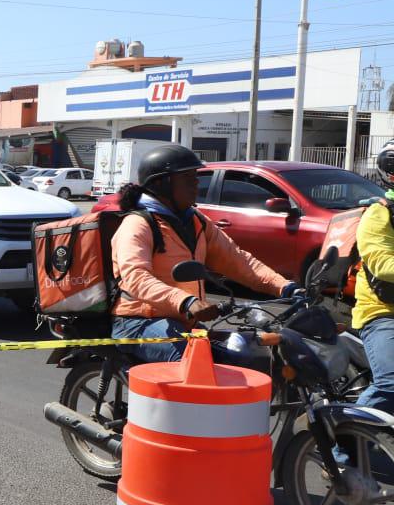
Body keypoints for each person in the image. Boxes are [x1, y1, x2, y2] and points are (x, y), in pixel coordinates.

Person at [110, 143, 291, 363]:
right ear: (162, 184)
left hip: (184, 322)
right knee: (195, 364)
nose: (197, 185)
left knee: (246, 356)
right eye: (188, 179)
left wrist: (284, 286)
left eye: (196, 178)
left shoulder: (195, 221)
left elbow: (238, 260)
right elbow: (136, 278)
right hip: (138, 322)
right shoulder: (138, 224)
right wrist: (187, 302)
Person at [352, 141, 394, 413]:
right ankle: (342, 448)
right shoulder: (379, 213)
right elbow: (380, 264)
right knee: (391, 384)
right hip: (381, 313)